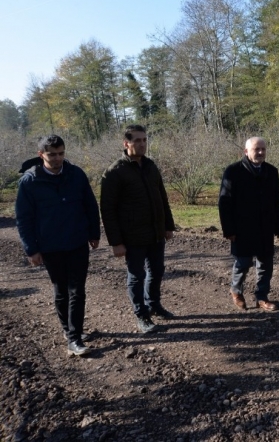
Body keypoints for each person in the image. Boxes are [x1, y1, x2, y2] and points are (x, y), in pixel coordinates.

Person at [15, 135, 100, 356]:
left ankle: (75, 338)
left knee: (77, 291)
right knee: (61, 291)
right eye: (52, 154)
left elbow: (90, 205)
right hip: (50, 246)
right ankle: (68, 329)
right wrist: (31, 249)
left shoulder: (76, 174)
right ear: (40, 154)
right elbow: (24, 218)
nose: (57, 158)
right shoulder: (30, 181)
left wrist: (94, 233)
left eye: (61, 153)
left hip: (77, 241)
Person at [100, 125, 176, 334]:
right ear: (126, 144)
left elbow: (162, 197)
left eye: (144, 140)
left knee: (157, 271)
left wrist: (168, 226)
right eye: (137, 140)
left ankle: (154, 305)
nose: (142, 144)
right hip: (132, 236)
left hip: (155, 233)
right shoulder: (115, 172)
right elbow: (107, 209)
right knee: (136, 276)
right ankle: (141, 315)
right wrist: (116, 242)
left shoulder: (151, 166)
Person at [218, 137, 279, 311]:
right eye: (257, 149)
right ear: (246, 151)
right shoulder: (233, 171)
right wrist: (229, 230)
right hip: (242, 228)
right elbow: (224, 203)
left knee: (266, 264)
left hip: (265, 226)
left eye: (263, 149)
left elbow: (277, 200)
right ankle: (236, 290)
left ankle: (261, 297)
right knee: (243, 263)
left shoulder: (271, 171)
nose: (261, 152)